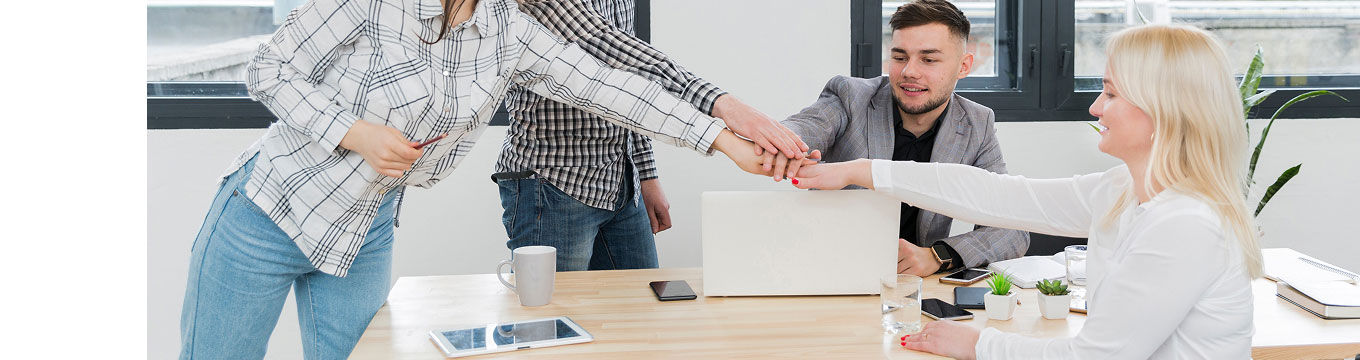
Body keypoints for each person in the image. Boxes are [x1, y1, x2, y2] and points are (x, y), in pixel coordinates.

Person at [177, 0, 806, 358]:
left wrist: (722, 141)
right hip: (265, 214)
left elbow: (609, 87)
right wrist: (354, 132)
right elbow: (268, 69)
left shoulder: (510, 31)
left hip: (363, 233)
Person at [792, 23, 1262, 359]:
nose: (1096, 108)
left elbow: (1097, 357)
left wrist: (980, 343)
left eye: (1112, 93)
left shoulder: (1185, 224)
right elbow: (995, 195)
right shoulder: (1121, 190)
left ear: (1165, 109)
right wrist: (864, 170)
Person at [497, 0, 807, 271]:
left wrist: (646, 174)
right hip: (552, 185)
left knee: (643, 310)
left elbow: (633, 92)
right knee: (551, 314)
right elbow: (609, 53)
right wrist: (725, 109)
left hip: (619, 181)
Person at [779, 0, 1027, 277]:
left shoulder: (976, 124)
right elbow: (801, 128)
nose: (909, 71)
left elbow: (1013, 227)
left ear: (963, 66)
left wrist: (938, 256)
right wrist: (780, 142)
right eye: (899, 57)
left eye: (928, 60)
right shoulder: (851, 96)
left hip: (910, 285)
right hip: (828, 272)